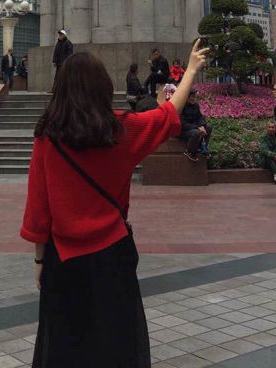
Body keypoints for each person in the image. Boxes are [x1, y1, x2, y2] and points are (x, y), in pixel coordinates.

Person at [21, 40, 209, 368]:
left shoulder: (47, 135)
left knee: (65, 343)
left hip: (62, 257)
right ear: (103, 87)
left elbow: (39, 205)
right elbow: (166, 117)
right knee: (116, 340)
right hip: (112, 254)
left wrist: (40, 259)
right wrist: (191, 70)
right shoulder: (120, 129)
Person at [179, 90, 212, 162]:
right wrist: (197, 128)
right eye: (192, 97)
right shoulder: (181, 106)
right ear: (187, 97)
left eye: (195, 97)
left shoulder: (196, 105)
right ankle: (190, 152)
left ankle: (203, 148)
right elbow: (183, 124)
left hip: (194, 127)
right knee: (196, 132)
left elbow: (200, 117)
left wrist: (202, 125)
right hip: (183, 130)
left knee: (208, 127)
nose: (194, 99)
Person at [259, 121, 276, 185]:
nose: (271, 129)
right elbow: (264, 150)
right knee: (270, 158)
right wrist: (274, 155)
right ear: (267, 128)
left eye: (272, 127)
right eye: (269, 127)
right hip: (266, 160)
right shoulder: (263, 137)